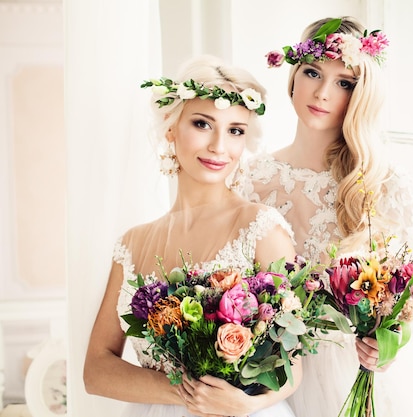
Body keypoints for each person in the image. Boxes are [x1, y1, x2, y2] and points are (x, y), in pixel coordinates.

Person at [84, 54, 302, 417]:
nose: (219, 146)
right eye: (202, 124)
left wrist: (247, 402)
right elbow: (95, 371)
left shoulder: (261, 227)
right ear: (171, 127)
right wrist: (185, 393)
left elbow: (294, 360)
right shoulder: (133, 244)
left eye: (235, 131)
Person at [236, 17, 413, 417]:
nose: (322, 92)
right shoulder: (250, 178)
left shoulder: (383, 184)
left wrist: (387, 345)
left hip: (348, 376)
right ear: (293, 76)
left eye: (344, 83)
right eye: (313, 72)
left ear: (361, 94)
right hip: (269, 376)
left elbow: (405, 300)